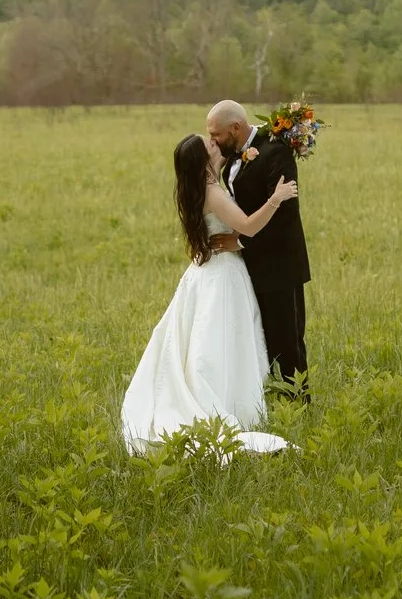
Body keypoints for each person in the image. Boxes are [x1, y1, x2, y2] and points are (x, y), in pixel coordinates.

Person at [118, 130, 298, 454]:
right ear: (203, 161)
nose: (214, 143)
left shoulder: (198, 187)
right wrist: (277, 197)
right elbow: (249, 226)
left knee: (212, 340)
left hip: (206, 272)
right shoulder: (212, 192)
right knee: (221, 342)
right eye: (209, 144)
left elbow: (227, 162)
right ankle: (227, 403)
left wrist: (248, 155)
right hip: (223, 274)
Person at [207, 98, 310, 395]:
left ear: (236, 128)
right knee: (262, 339)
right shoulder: (231, 155)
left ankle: (299, 405)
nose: (212, 140)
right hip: (249, 266)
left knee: (286, 341)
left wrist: (238, 241)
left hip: (279, 265)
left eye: (216, 134)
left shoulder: (276, 152)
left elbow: (284, 214)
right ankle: (270, 400)